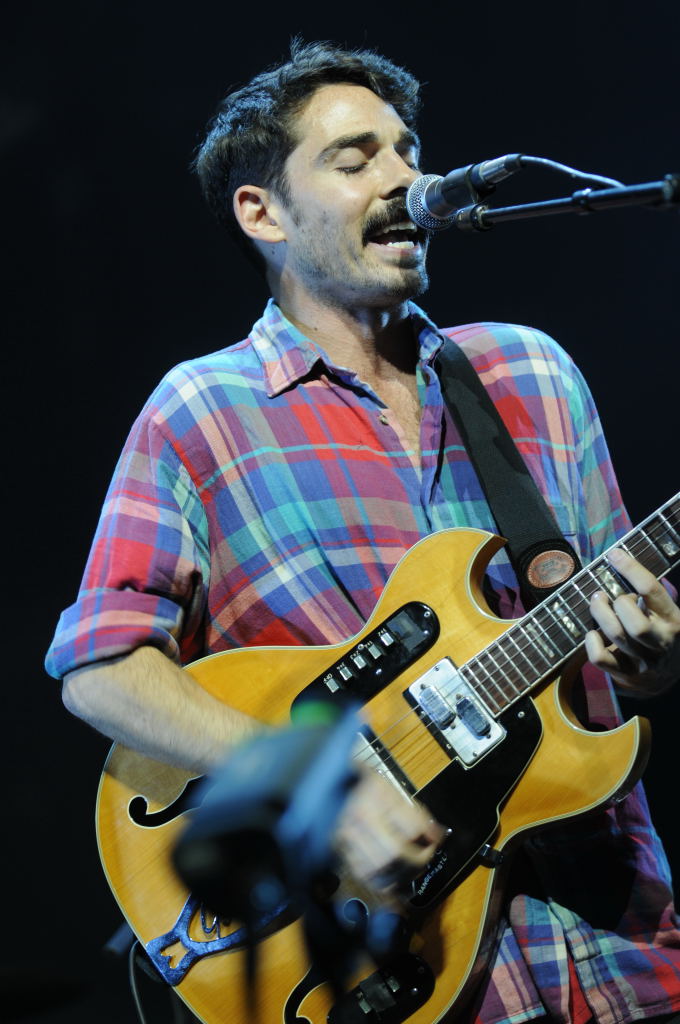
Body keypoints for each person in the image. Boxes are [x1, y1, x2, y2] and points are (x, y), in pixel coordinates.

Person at [46, 39, 680, 1024]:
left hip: (616, 952)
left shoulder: (532, 373)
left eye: (407, 150)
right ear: (261, 213)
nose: (403, 179)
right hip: (405, 967)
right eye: (354, 160)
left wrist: (649, 654)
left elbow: (630, 654)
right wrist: (321, 785)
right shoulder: (202, 413)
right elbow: (101, 668)